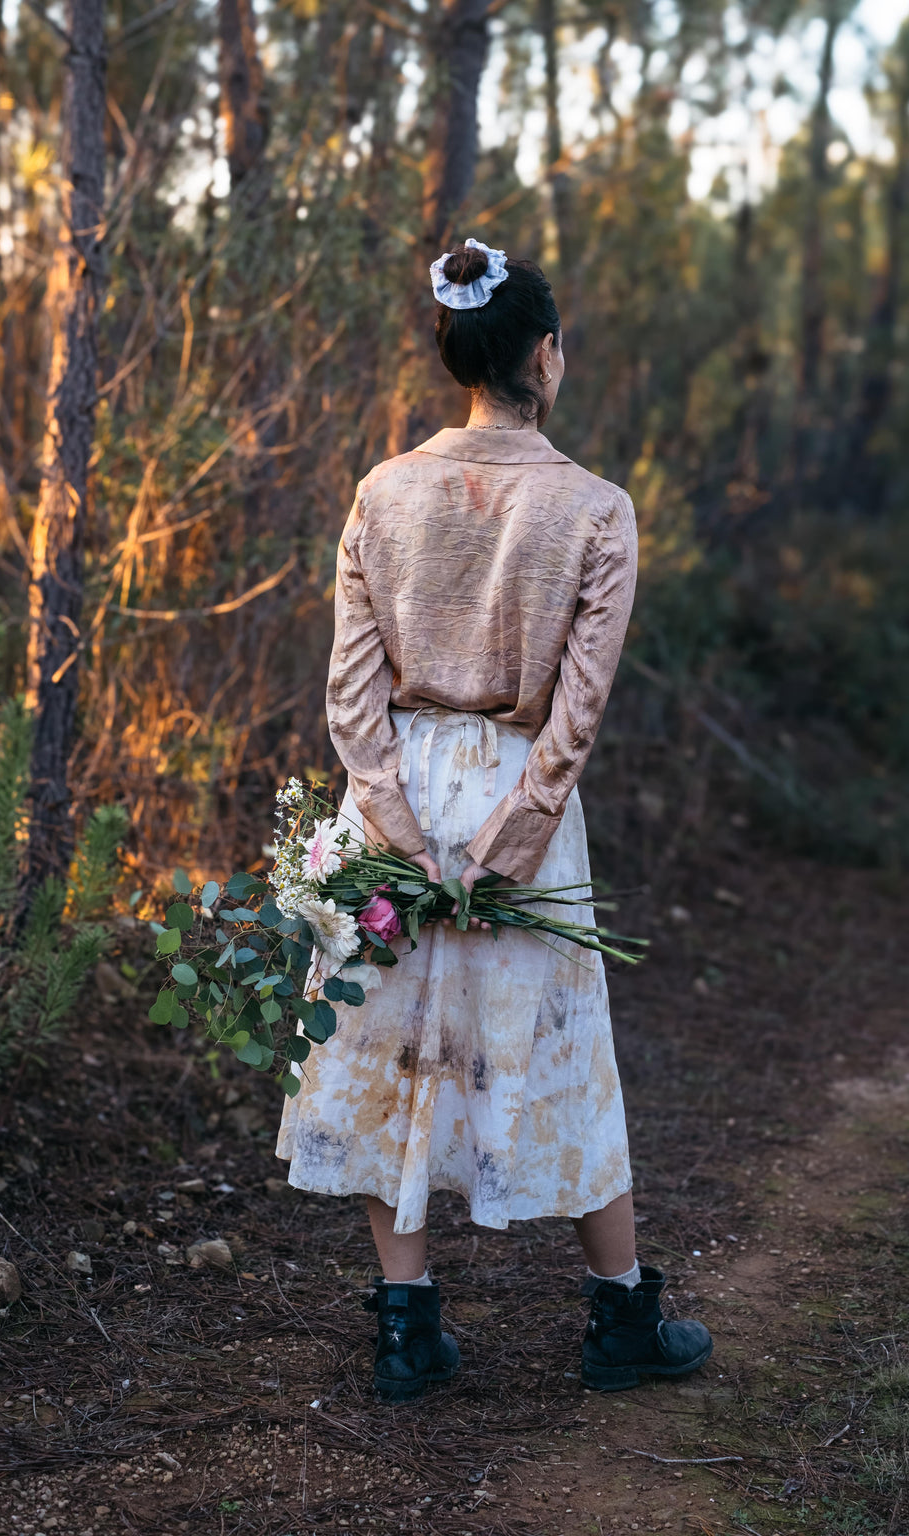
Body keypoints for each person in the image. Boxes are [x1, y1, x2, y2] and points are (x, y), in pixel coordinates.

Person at [276, 236, 713, 1401]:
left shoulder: (383, 493)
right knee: (560, 1045)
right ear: (543, 355)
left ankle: (405, 1329)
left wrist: (400, 835)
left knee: (388, 1045)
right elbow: (577, 709)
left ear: (457, 353)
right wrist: (514, 838)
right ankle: (619, 1320)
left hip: (401, 784)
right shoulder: (597, 511)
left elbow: (350, 692)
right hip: (523, 788)